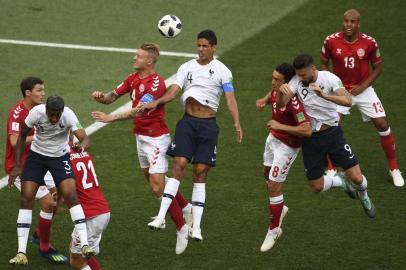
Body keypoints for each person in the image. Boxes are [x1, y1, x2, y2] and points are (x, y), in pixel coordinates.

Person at [137, 30, 243, 241]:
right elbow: (174, 90)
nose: (201, 50)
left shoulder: (223, 71)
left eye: (205, 46)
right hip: (187, 123)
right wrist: (157, 102)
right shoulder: (186, 67)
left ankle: (197, 228)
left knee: (201, 173)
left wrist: (237, 123)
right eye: (199, 46)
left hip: (208, 126)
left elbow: (230, 99)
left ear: (214, 47)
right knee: (179, 165)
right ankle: (160, 217)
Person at [91, 43, 191, 255]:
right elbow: (112, 96)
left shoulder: (156, 85)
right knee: (153, 182)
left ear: (149, 61)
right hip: (141, 138)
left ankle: (182, 228)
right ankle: (185, 207)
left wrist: (110, 118)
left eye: (138, 56)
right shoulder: (133, 78)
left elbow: (137, 111)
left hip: (156, 140)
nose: (133, 58)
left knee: (157, 188)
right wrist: (102, 98)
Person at [278, 54, 376, 218]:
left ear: (313, 69)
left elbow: (347, 100)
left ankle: (364, 196)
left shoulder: (329, 78)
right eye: (298, 75)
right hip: (311, 140)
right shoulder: (297, 80)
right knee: (316, 186)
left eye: (303, 75)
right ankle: (341, 182)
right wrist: (282, 93)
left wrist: (324, 95)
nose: (300, 78)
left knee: (357, 178)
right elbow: (281, 105)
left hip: (333, 135)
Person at [320, 9, 404, 187]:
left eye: (352, 22)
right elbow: (323, 64)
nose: (348, 25)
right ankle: (331, 167)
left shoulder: (369, 43)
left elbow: (378, 67)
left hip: (363, 90)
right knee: (330, 125)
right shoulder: (330, 41)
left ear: (358, 24)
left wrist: (364, 86)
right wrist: (334, 85)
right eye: (346, 21)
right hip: (341, 90)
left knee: (383, 124)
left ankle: (394, 168)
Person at [8, 95, 94, 265]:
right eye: (51, 115)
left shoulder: (69, 114)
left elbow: (85, 138)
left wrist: (80, 145)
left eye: (57, 115)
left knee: (71, 196)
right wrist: (17, 165)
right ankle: (21, 252)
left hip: (59, 158)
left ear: (62, 111)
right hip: (36, 157)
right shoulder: (36, 113)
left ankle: (85, 244)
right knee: (26, 199)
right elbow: (22, 136)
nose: (54, 118)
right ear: (46, 110)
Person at [5, 77, 67, 263]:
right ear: (28, 93)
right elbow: (15, 141)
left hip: (42, 161)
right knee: (47, 202)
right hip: (22, 167)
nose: (43, 93)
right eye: (39, 90)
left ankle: (40, 234)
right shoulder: (17, 113)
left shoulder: (42, 111)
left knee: (60, 194)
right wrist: (41, 136)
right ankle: (42, 247)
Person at [255, 63, 312, 252]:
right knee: (266, 173)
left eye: (277, 80)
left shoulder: (294, 103)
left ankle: (274, 230)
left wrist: (281, 127)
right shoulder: (277, 90)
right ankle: (282, 208)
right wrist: (264, 100)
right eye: (273, 78)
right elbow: (272, 95)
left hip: (287, 147)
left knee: (273, 185)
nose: (273, 82)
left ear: (287, 83)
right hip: (272, 139)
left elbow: (306, 130)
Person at [69, 147, 110, 270]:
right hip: (101, 210)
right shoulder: (82, 153)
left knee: (76, 262)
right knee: (79, 252)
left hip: (91, 216)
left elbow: (68, 190)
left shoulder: (62, 159)